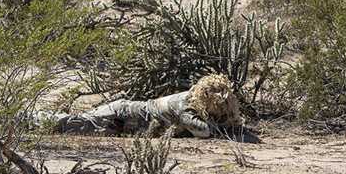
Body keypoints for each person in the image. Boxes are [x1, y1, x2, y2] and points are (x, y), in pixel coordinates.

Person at [49, 73, 243, 138]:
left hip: (123, 114)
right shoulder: (185, 106)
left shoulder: (194, 96)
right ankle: (24, 117)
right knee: (64, 125)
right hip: (118, 117)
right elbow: (204, 131)